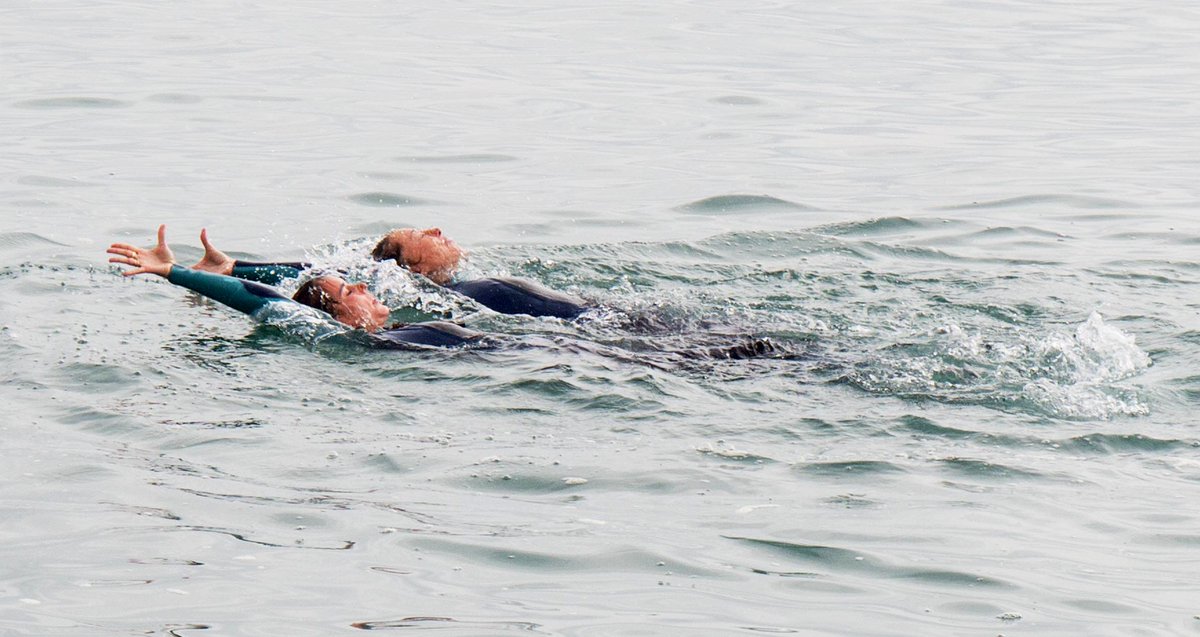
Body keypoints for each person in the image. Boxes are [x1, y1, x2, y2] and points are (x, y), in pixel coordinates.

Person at [106, 226, 483, 348]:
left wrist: (236, 266)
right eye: (348, 293)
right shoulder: (351, 339)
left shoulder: (397, 329)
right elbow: (262, 300)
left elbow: (321, 271)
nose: (361, 285)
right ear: (338, 319)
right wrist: (171, 271)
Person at [190, 226, 592, 320]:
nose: (435, 230)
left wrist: (235, 266)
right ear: (414, 268)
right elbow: (323, 275)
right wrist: (233, 270)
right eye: (420, 235)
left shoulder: (460, 285)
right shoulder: (428, 292)